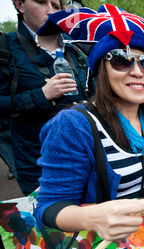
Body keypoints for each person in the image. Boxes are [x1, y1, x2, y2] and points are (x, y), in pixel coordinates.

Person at [33, 3, 144, 249]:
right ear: (100, 68)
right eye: (122, 60)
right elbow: (47, 209)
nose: (138, 71)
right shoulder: (73, 125)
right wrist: (93, 217)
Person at [0, 0, 93, 196]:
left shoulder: (78, 46)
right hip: (37, 162)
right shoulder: (5, 47)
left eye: (56, 6)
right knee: (51, 222)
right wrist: (41, 96)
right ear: (20, 5)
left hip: (87, 153)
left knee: (91, 219)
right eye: (41, 2)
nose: (50, 11)